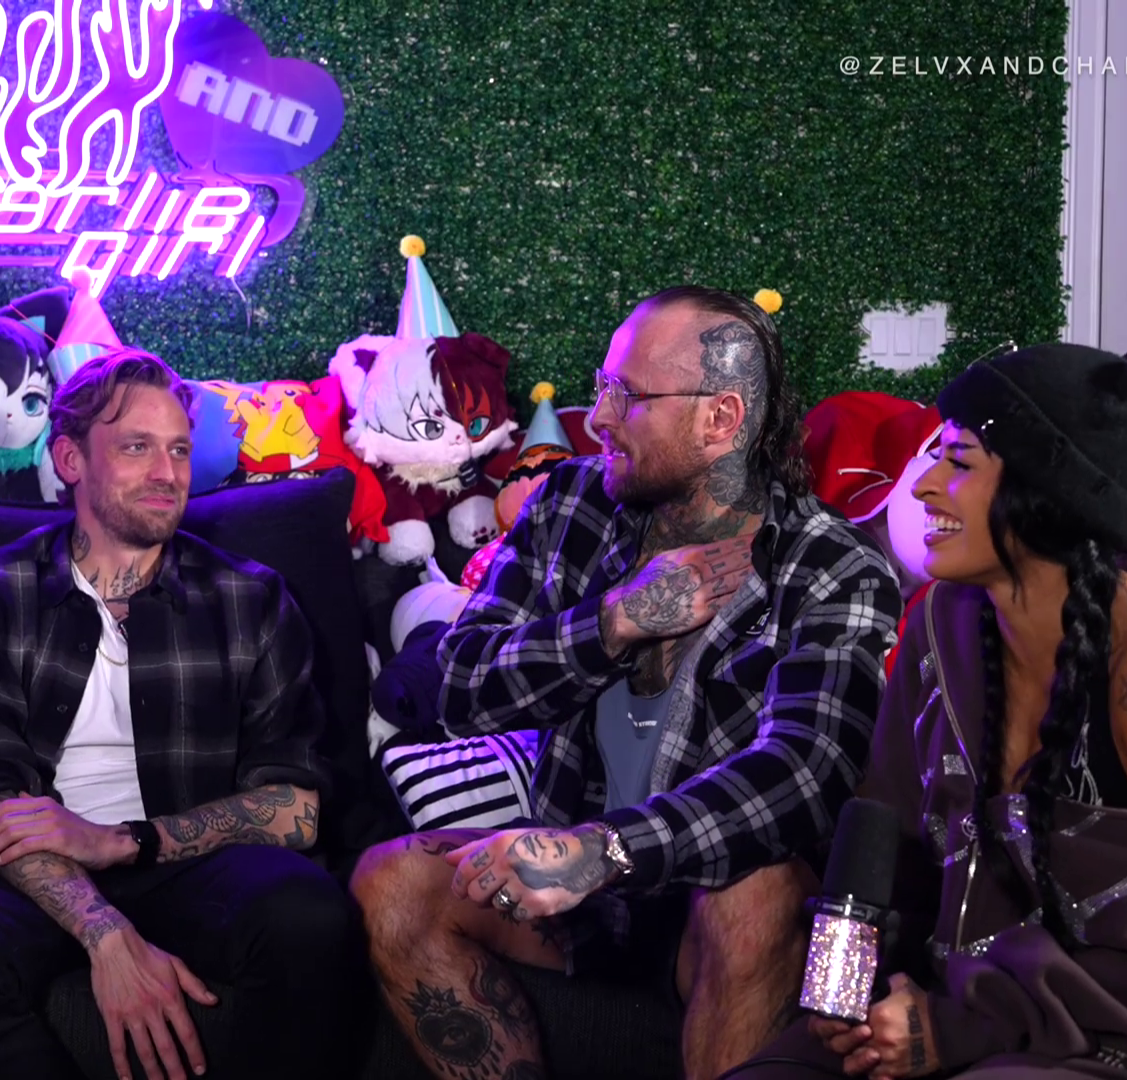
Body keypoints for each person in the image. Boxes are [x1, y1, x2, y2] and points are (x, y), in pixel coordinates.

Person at [738, 342, 1127, 1080]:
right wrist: (841, 981)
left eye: (958, 462)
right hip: (970, 993)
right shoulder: (941, 620)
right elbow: (885, 825)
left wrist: (954, 1031)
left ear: (1050, 493)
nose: (923, 486)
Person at [354, 286, 905, 1080]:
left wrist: (606, 850)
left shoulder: (832, 566)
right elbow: (460, 686)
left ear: (720, 419)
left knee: (757, 894)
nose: (599, 418)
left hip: (708, 899)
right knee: (393, 880)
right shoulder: (570, 504)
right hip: (580, 901)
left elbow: (806, 774)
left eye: (628, 396)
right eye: (602, 387)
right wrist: (614, 622)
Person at [0, 347, 356, 1080]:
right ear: (70, 459)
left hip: (188, 864)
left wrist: (124, 843)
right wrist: (105, 934)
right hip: (28, 877)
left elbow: (296, 810)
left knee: (309, 916)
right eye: (137, 447)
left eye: (179, 450)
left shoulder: (252, 598)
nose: (167, 473)